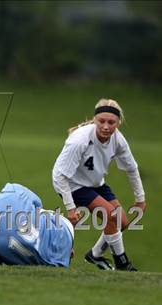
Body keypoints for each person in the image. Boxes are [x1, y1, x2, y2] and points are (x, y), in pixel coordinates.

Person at [52, 98, 146, 271]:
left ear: (118, 123)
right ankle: (122, 264)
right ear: (95, 120)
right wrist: (70, 207)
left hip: (95, 182)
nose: (105, 126)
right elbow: (60, 176)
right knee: (111, 217)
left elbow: (132, 168)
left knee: (123, 222)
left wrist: (140, 199)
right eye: (101, 121)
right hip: (71, 184)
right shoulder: (79, 140)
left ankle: (94, 254)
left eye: (111, 122)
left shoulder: (118, 140)